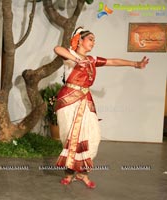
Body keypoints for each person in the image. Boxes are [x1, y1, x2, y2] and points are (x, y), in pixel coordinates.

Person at [54, 27, 149, 189]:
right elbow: (57, 49)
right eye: (90, 38)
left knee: (93, 136)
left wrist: (135, 64)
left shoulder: (91, 60)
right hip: (68, 101)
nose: (93, 42)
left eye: (94, 40)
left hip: (86, 100)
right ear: (80, 39)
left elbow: (112, 61)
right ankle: (69, 174)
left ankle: (83, 173)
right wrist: (77, 60)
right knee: (70, 139)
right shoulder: (70, 55)